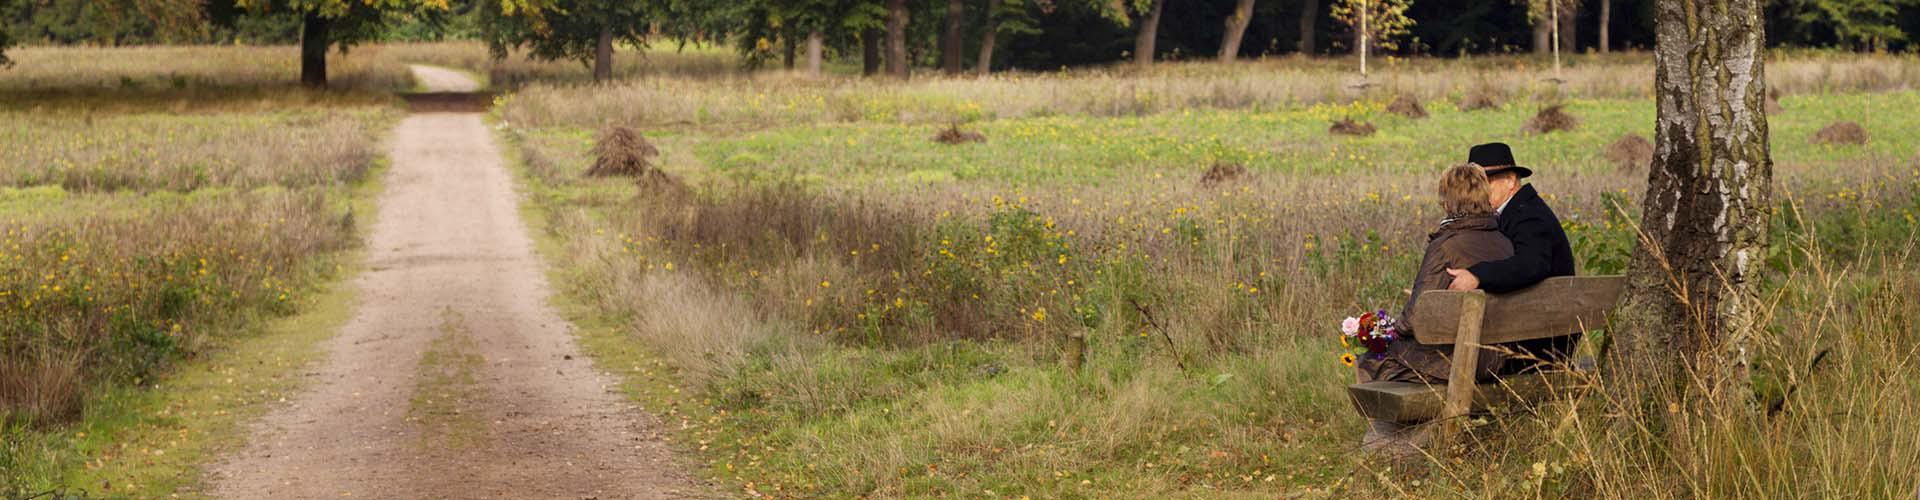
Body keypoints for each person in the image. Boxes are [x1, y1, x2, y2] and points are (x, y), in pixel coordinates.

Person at [1355, 163, 1515, 452]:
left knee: (1374, 354)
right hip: (1495, 358)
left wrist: (1385, 330)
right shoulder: (1504, 242)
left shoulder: (1445, 245)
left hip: (1457, 362)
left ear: (1447, 201)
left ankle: (1393, 441)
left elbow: (1415, 319)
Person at [1442, 142, 1578, 373]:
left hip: (1539, 344)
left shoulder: (1527, 215)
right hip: (1532, 331)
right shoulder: (1517, 210)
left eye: (1488, 182)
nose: (1481, 190)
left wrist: (1477, 275)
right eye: (1477, 184)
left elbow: (1532, 264)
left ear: (1511, 181)